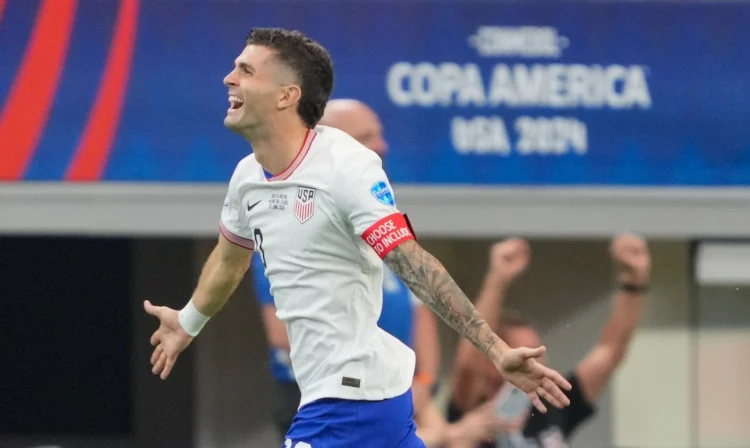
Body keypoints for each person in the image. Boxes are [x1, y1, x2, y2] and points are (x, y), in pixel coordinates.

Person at [143, 28, 572, 448]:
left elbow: (414, 264)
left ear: (287, 95)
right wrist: (188, 321)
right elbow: (229, 259)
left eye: (246, 70)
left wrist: (496, 350)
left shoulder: (347, 167)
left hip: (350, 397)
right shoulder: (246, 177)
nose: (229, 78)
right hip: (348, 397)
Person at [252, 98, 441, 440]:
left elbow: (421, 309)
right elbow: (281, 332)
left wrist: (423, 382)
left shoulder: (381, 214)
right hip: (326, 398)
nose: (382, 146)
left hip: (393, 394)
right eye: (367, 137)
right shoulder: (284, 224)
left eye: (379, 134)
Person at [448, 235, 651, 447]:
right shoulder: (473, 409)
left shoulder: (552, 405)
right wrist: (497, 279)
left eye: (537, 354)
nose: (535, 365)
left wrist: (633, 283)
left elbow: (609, 352)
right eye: (523, 355)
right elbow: (470, 359)